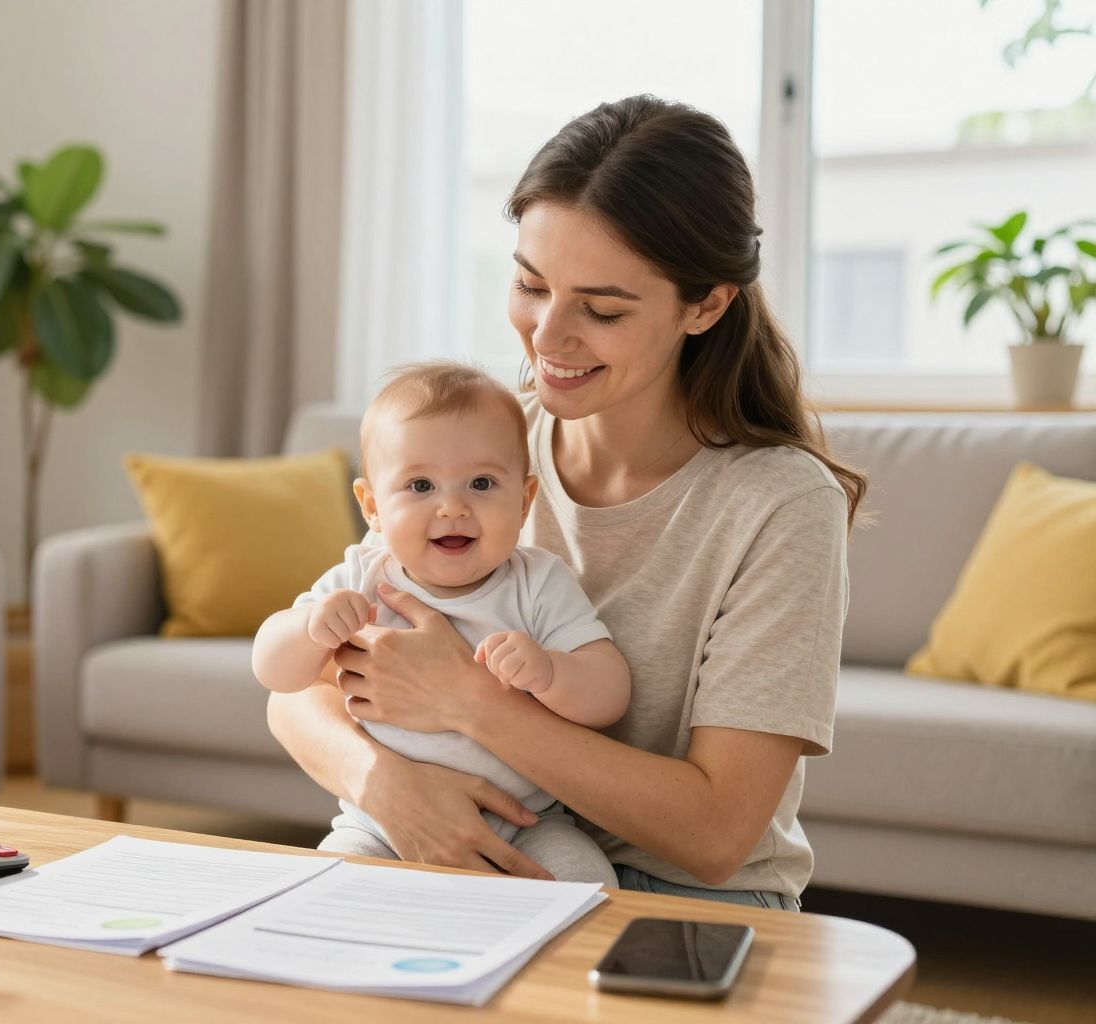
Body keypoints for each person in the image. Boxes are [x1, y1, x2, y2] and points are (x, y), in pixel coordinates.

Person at [266, 95, 867, 911]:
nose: (547, 337)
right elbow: (299, 690)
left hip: (681, 897)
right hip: (448, 838)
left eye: (602, 308)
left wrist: (471, 704)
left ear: (707, 304)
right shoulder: (480, 455)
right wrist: (388, 788)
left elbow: (720, 835)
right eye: (530, 284)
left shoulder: (780, 504)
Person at [252, 361, 631, 883]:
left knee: (591, 890)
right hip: (382, 821)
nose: (452, 507)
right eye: (421, 485)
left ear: (523, 502)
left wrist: (551, 673)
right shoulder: (362, 574)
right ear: (372, 507)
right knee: (331, 885)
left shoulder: (538, 582)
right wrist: (310, 628)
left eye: (481, 483)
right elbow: (274, 673)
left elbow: (610, 693)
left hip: (528, 822)